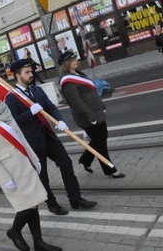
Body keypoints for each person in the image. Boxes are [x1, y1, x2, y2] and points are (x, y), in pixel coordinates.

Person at [0, 81, 61, 251]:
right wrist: (4, 178)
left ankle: (38, 242)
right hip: (10, 170)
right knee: (28, 205)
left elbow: (20, 136)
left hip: (25, 163)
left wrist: (34, 159)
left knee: (34, 201)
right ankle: (15, 231)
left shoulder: (4, 110)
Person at [5, 59, 98, 215]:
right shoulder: (12, 97)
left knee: (66, 163)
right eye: (27, 72)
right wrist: (30, 112)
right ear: (18, 75)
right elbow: (13, 120)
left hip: (49, 135)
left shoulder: (37, 91)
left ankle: (76, 199)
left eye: (31, 71)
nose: (31, 74)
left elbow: (50, 106)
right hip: (33, 141)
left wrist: (59, 120)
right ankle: (52, 204)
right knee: (43, 175)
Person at [58, 51, 125, 178]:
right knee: (100, 143)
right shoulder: (68, 81)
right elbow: (76, 102)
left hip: (97, 113)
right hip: (88, 117)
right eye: (72, 60)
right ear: (66, 64)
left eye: (75, 58)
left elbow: (92, 92)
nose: (76, 61)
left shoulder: (78, 74)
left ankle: (85, 160)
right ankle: (110, 170)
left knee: (99, 139)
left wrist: (102, 107)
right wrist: (90, 116)